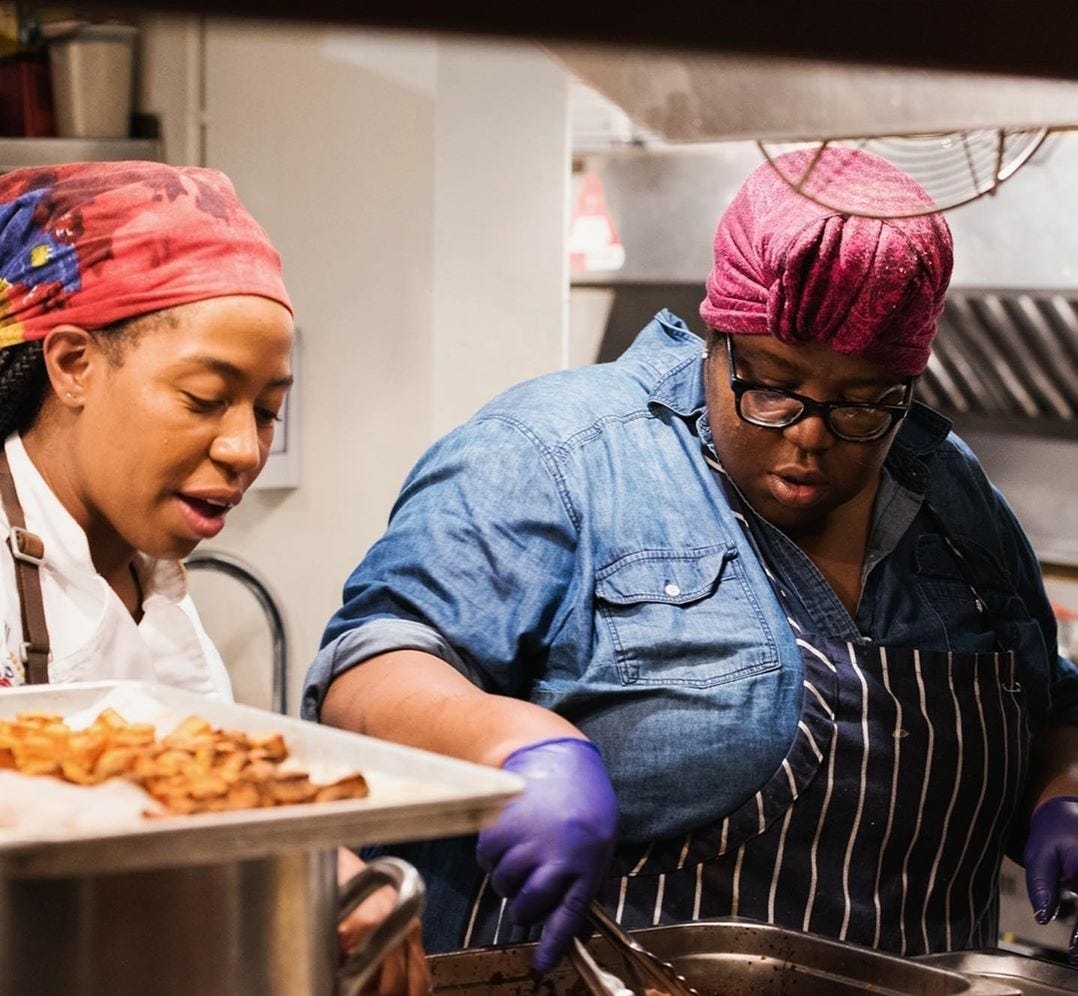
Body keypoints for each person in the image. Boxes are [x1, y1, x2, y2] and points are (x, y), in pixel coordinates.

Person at [304, 146, 1078, 975]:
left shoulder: (951, 493)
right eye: (773, 382)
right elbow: (365, 671)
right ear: (719, 335)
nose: (810, 434)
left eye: (862, 402)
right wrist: (515, 742)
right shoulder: (560, 454)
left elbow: (1045, 702)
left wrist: (1062, 785)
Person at [0, 161, 430, 996]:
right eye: (205, 399)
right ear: (71, 363)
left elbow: (195, 795)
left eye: (267, 410)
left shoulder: (151, 578)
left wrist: (329, 874)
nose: (244, 449)